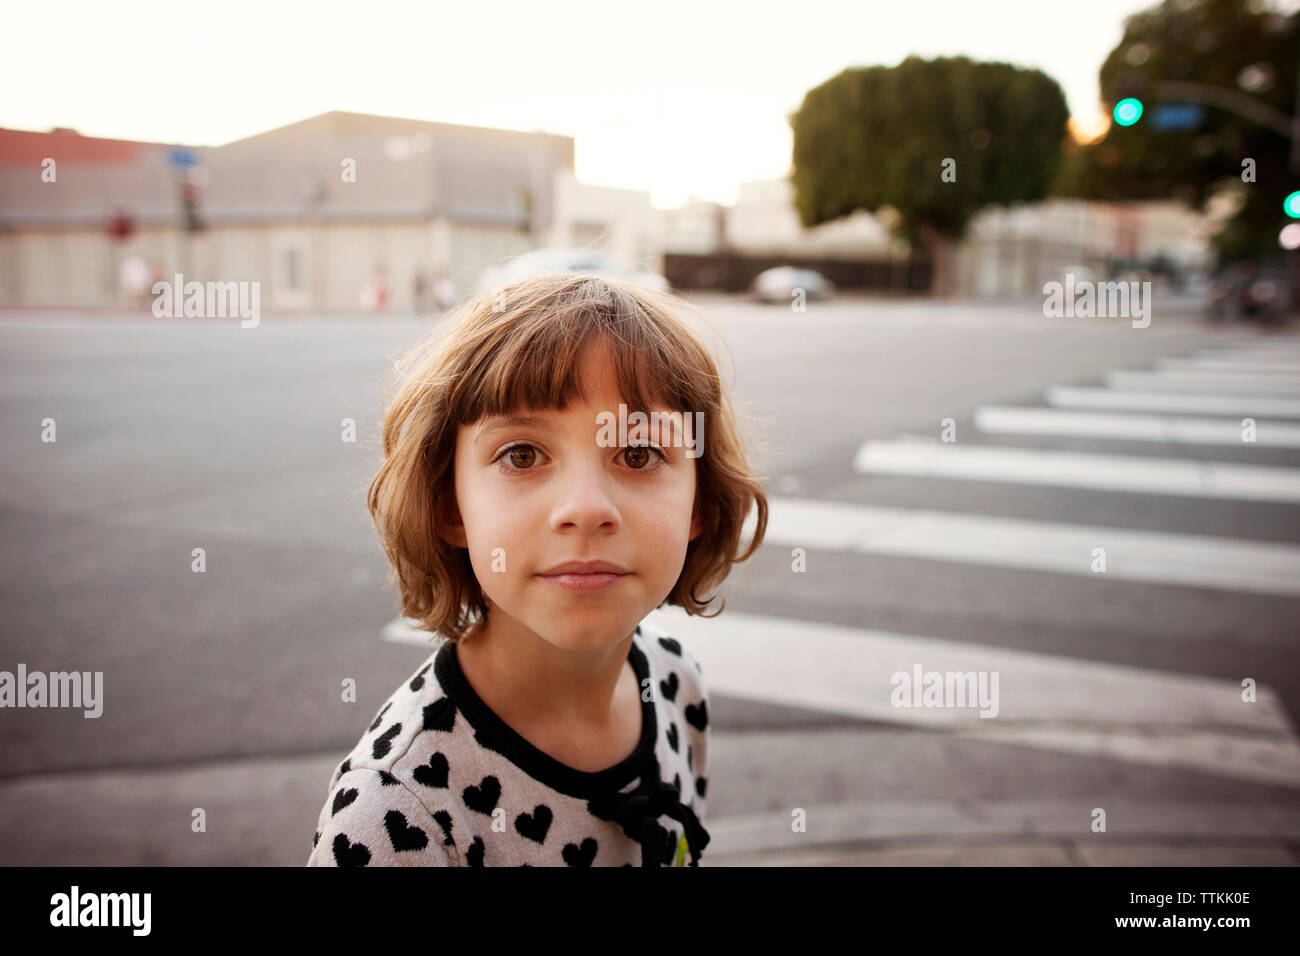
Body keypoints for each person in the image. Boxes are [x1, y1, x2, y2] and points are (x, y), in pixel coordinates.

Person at [307, 273, 769, 866]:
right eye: (521, 455)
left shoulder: (674, 683)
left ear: (700, 505)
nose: (584, 509)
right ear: (450, 507)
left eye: (638, 453)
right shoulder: (398, 813)